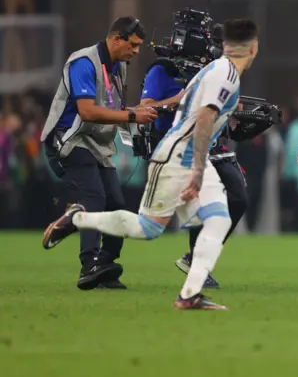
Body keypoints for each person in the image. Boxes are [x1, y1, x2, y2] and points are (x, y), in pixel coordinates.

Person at [42, 19, 259, 310]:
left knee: (219, 218)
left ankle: (189, 294)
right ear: (253, 49)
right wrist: (197, 169)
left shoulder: (216, 70)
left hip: (185, 152)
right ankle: (79, 220)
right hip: (178, 156)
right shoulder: (226, 74)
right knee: (148, 227)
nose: (135, 50)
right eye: (131, 44)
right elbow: (205, 117)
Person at [139, 23, 271, 288]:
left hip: (210, 143)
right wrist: (177, 99)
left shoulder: (215, 70)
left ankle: (193, 259)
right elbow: (145, 109)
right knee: (150, 225)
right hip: (176, 146)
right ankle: (197, 265)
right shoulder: (163, 70)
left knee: (239, 198)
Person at [40, 17, 157, 290]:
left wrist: (140, 113)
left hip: (96, 144)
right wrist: (131, 115)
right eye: (133, 44)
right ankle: (88, 264)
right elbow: (87, 111)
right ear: (116, 39)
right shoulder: (83, 62)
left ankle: (105, 264)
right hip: (68, 139)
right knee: (95, 196)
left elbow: (112, 107)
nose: (137, 51)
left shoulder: (119, 67)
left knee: (116, 202)